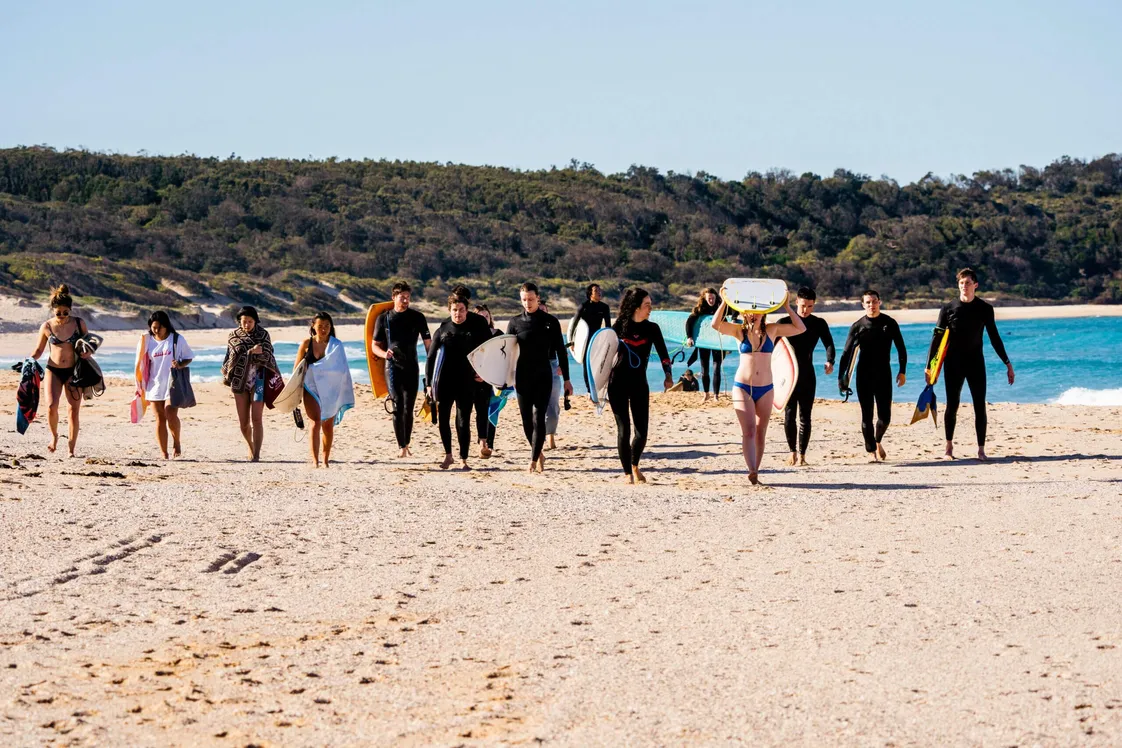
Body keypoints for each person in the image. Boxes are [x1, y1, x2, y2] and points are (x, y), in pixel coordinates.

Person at [711, 293, 805, 484]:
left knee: (761, 431)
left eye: (757, 312)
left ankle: (757, 471)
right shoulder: (739, 331)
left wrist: (787, 306)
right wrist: (724, 302)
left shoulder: (772, 329)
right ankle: (751, 469)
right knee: (749, 431)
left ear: (764, 313)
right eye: (749, 312)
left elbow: (800, 327)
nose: (753, 315)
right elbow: (716, 324)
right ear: (744, 313)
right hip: (742, 387)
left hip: (766, 388)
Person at [930, 268, 1015, 461]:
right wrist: (930, 366)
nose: (964, 286)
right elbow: (936, 339)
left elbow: (994, 337)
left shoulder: (985, 308)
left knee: (979, 406)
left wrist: (1007, 363)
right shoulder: (948, 308)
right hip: (953, 363)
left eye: (968, 283)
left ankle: (981, 450)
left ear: (975, 285)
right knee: (952, 405)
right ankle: (949, 448)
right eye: (961, 283)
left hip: (976, 362)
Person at [506, 282, 572, 473]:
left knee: (538, 416)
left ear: (538, 298)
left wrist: (567, 379)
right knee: (526, 420)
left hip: (544, 375)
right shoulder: (514, 323)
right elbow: (507, 353)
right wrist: (504, 378)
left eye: (531, 299)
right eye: (524, 300)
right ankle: (538, 451)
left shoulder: (550, 321)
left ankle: (533, 460)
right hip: (522, 377)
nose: (528, 303)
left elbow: (561, 351)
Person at [610, 288, 674, 484]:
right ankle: (628, 473)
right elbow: (602, 358)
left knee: (642, 432)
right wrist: (595, 386)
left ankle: (635, 463)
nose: (650, 309)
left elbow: (664, 354)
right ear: (637, 306)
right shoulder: (618, 327)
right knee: (624, 430)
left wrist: (668, 376)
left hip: (639, 384)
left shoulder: (652, 328)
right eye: (647, 305)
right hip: (617, 385)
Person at [838, 290, 907, 462]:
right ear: (863, 305)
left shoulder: (889, 323)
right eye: (868, 302)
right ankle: (871, 452)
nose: (872, 305)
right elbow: (846, 353)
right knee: (866, 416)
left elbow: (901, 348)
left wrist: (902, 371)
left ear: (879, 302)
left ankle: (877, 441)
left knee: (885, 417)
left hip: (884, 374)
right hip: (864, 375)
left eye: (874, 301)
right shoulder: (858, 326)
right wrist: (842, 378)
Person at [427, 295, 492, 470]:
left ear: (467, 310)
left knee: (463, 420)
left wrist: (484, 372)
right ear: (450, 310)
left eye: (462, 310)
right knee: (444, 420)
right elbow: (431, 358)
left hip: (466, 382)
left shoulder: (474, 329)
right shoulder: (442, 329)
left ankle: (464, 459)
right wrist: (428, 385)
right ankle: (448, 455)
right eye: (455, 310)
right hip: (444, 383)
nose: (458, 314)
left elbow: (486, 353)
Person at [29, 284, 93, 457]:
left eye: (66, 312)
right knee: (51, 406)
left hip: (74, 372)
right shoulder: (47, 327)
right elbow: (39, 351)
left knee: (73, 410)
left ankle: (71, 449)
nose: (63, 316)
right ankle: (54, 436)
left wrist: (88, 352)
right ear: (53, 311)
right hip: (53, 370)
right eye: (59, 313)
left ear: (70, 310)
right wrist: (28, 361)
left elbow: (91, 344)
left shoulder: (79, 323)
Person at [776, 287, 836, 466]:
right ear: (796, 302)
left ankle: (802, 454)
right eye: (803, 305)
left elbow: (829, 344)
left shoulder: (818, 323)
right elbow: (772, 349)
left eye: (810, 306)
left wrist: (830, 361)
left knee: (805, 416)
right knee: (789, 414)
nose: (805, 310)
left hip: (807, 374)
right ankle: (792, 452)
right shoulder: (784, 322)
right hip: (787, 375)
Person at [371, 282, 431, 457]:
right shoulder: (384, 318)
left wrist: (433, 364)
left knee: (408, 408)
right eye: (402, 297)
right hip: (392, 367)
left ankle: (407, 443)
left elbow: (429, 345)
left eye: (407, 297)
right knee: (397, 404)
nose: (405, 300)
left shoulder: (418, 317)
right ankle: (401, 446)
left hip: (412, 367)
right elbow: (374, 346)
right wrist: (385, 354)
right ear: (393, 298)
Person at [222, 306, 278, 462]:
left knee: (257, 419)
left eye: (250, 322)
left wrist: (259, 354)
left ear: (255, 321)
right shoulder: (233, 336)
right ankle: (250, 446)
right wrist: (250, 352)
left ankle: (257, 454)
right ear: (239, 321)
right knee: (244, 423)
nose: (246, 325)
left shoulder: (263, 334)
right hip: (239, 382)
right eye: (244, 322)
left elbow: (269, 356)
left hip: (258, 379)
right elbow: (230, 358)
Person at [294, 312, 350, 468]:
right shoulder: (306, 344)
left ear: (331, 327)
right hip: (310, 388)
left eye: (327, 326)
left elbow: (342, 369)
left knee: (327, 425)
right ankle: (315, 460)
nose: (324, 329)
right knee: (315, 422)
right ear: (313, 326)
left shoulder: (336, 345)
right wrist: (293, 393)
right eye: (320, 326)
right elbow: (297, 370)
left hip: (331, 390)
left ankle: (325, 459)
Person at [141, 311, 194, 460]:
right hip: (154, 383)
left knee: (170, 412)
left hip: (173, 382)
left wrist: (179, 364)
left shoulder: (176, 339)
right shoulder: (148, 341)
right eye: (153, 327)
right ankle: (163, 452)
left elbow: (189, 357)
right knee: (159, 418)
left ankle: (176, 442)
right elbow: (141, 363)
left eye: (159, 327)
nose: (156, 330)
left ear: (166, 326)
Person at [473, 304, 504, 457]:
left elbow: (505, 357)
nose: (484, 319)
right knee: (479, 411)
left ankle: (488, 443)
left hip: (492, 378)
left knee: (491, 410)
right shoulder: (471, 333)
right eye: (480, 317)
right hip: (474, 378)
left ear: (490, 317)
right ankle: (481, 441)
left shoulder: (498, 334)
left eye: (486, 316)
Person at [685, 288, 726, 401]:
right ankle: (706, 394)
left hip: (717, 342)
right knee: (705, 370)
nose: (711, 300)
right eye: (709, 298)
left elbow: (726, 322)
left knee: (717, 368)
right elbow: (689, 322)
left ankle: (716, 396)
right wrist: (689, 337)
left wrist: (728, 343)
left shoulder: (720, 308)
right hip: (704, 342)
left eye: (713, 298)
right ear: (705, 298)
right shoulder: (700, 309)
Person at [571, 283, 612, 391]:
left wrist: (609, 342)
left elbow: (608, 326)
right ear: (590, 294)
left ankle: (598, 386)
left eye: (600, 290)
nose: (599, 292)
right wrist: (572, 341)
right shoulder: (583, 306)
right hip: (584, 340)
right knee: (586, 364)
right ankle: (589, 389)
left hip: (597, 339)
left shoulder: (604, 307)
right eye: (596, 291)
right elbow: (574, 325)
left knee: (598, 363)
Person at [539, 301, 564, 450]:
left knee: (553, 407)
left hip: (552, 365)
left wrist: (562, 366)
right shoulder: (530, 327)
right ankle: (539, 438)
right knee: (538, 407)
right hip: (534, 366)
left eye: (544, 310)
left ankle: (551, 436)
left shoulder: (552, 325)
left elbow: (561, 349)